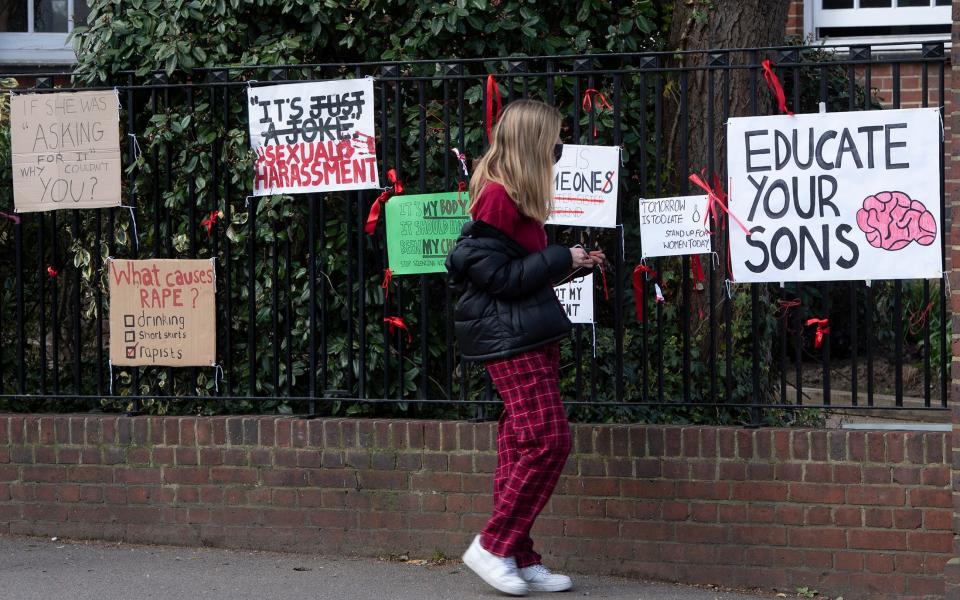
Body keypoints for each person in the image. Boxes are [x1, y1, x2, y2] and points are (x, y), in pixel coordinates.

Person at [446, 99, 604, 596]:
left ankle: (517, 553)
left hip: (526, 332)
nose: (559, 147)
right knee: (547, 439)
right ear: (533, 140)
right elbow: (495, 275)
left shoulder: (515, 193)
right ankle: (493, 546)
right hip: (508, 339)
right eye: (553, 138)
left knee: (520, 444)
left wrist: (566, 262)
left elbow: (518, 271)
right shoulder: (496, 196)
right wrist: (562, 255)